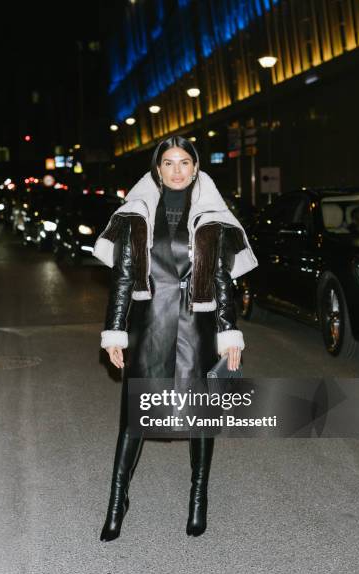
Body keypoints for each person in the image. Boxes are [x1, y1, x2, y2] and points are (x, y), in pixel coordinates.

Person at [93, 135, 258, 541]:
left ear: (196, 167)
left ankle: (198, 499)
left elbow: (222, 281)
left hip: (197, 327)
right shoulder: (136, 214)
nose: (178, 169)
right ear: (157, 169)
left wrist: (228, 334)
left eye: (185, 162)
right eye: (169, 162)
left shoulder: (213, 217)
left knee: (200, 418)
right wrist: (114, 330)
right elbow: (124, 278)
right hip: (149, 324)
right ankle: (117, 503)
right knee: (135, 418)